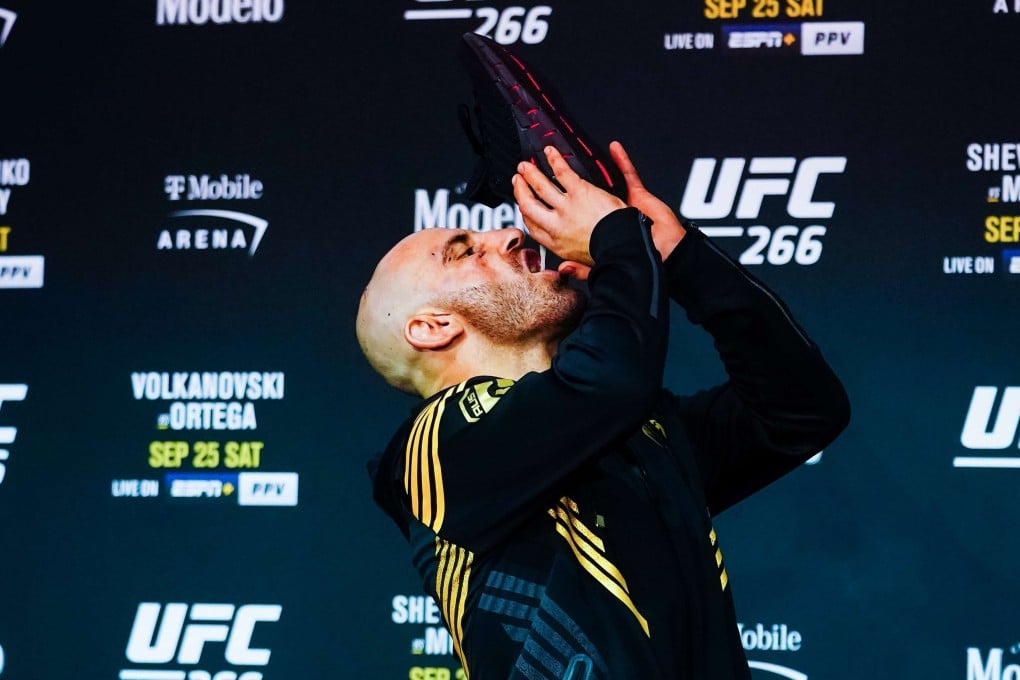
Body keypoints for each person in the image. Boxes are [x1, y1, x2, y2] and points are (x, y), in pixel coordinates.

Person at [358, 142, 850, 679]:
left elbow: (802, 410)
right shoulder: (437, 448)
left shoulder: (631, 436)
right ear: (432, 328)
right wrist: (618, 240)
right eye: (463, 250)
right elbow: (609, 383)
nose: (510, 234)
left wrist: (682, 259)